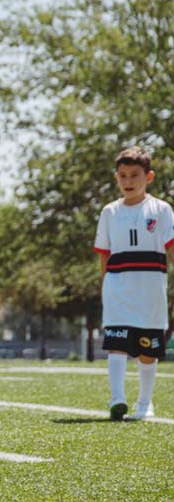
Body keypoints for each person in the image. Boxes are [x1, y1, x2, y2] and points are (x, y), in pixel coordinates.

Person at [94, 146, 173, 421]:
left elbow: (170, 247)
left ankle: (145, 403)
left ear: (148, 177)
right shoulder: (109, 212)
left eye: (134, 175)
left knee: (146, 351)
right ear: (117, 178)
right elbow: (104, 254)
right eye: (123, 176)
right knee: (116, 343)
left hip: (150, 291)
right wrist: (106, 285)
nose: (128, 181)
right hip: (118, 289)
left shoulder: (161, 210)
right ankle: (117, 399)